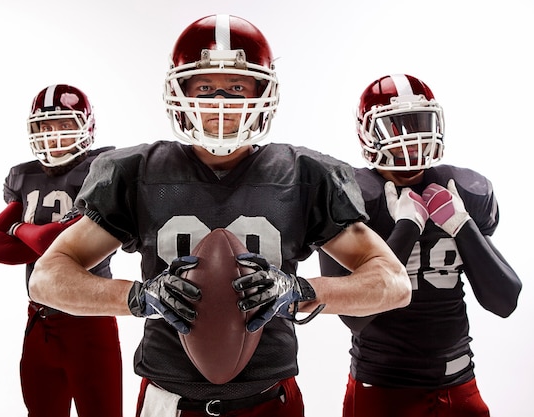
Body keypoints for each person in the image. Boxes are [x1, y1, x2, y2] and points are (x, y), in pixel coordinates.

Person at [28, 15, 411, 417]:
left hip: (271, 397)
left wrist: (300, 292)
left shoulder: (305, 175)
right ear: (179, 92)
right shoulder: (137, 172)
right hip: (167, 397)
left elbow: (393, 282)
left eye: (237, 87)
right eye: (206, 87)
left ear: (263, 92)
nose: (222, 102)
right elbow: (47, 278)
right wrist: (137, 298)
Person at [319, 73, 522, 417]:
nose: (410, 141)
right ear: (369, 134)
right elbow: (353, 317)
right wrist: (407, 228)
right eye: (396, 128)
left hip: (460, 384)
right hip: (383, 390)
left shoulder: (461, 190)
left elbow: (505, 300)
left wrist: (461, 225)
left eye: (418, 125)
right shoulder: (352, 197)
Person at [0, 84, 123, 417]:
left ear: (85, 127)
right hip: (39, 319)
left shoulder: (100, 170)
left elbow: (51, 242)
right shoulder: (23, 176)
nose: (53, 135)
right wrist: (37, 235)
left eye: (64, 125)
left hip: (89, 320)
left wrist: (19, 230)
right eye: (45, 127)